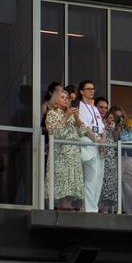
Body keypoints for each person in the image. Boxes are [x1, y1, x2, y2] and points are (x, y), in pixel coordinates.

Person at [43, 82, 84, 211]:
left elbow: (82, 132)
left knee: (72, 183)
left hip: (73, 154)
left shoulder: (72, 114)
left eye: (67, 98)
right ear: (56, 99)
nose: (66, 100)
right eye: (63, 98)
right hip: (60, 153)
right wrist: (65, 116)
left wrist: (77, 118)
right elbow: (56, 133)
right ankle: (62, 208)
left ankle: (68, 206)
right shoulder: (52, 114)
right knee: (62, 182)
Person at [75, 79, 106, 213]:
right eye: (88, 89)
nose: (92, 91)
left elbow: (102, 127)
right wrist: (96, 139)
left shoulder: (94, 108)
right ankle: (89, 208)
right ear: (82, 91)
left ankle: (94, 206)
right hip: (88, 141)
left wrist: (103, 142)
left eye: (93, 89)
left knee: (99, 177)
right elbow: (83, 126)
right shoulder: (79, 106)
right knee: (90, 177)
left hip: (98, 143)